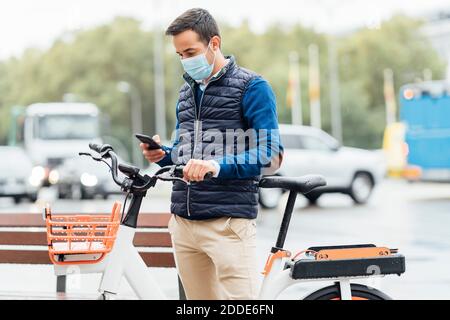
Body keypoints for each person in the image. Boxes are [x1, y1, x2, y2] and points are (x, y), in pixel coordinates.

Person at [140, 8, 283, 300]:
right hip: (184, 223)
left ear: (214, 43)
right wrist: (163, 155)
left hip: (227, 224)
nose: (185, 60)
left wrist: (216, 166)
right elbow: (184, 153)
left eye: (190, 51)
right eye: (179, 55)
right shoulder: (185, 93)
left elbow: (270, 153)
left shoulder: (252, 87)